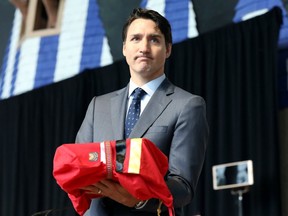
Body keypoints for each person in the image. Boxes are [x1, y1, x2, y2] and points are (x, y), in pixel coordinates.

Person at [76, 8, 209, 216]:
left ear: (168, 50)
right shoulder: (97, 106)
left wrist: (138, 200)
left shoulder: (188, 105)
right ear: (124, 48)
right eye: (136, 38)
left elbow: (183, 187)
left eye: (154, 40)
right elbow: (78, 169)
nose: (144, 48)